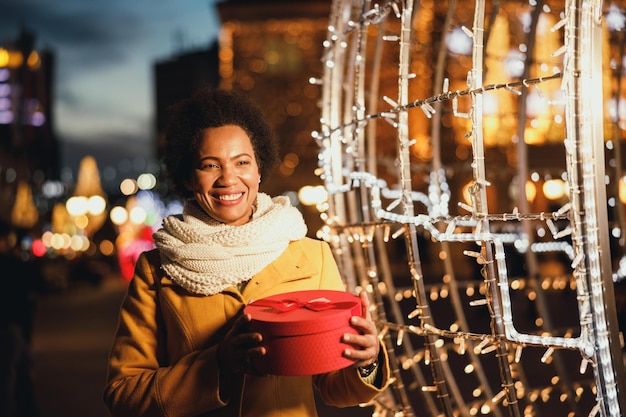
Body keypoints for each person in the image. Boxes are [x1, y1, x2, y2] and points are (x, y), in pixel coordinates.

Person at [103, 89, 390, 417]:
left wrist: (365, 361)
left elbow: (334, 387)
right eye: (210, 165)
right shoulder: (156, 269)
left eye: (242, 162)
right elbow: (123, 395)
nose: (228, 178)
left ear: (258, 170)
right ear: (187, 176)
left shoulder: (313, 255)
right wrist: (218, 364)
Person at [0, 222, 42, 417]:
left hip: (10, 327)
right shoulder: (11, 263)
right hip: (10, 327)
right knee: (9, 375)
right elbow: (25, 297)